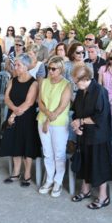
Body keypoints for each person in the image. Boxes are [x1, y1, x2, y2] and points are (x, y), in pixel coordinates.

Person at [70, 64, 112, 209]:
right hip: (84, 133)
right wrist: (76, 126)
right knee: (85, 162)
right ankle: (85, 190)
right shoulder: (81, 91)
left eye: (76, 81)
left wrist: (81, 121)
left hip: (98, 135)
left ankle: (103, 196)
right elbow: (76, 112)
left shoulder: (100, 91)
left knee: (99, 164)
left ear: (85, 78)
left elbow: (100, 117)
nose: (75, 83)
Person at [0, 53, 39, 186]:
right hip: (14, 113)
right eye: (15, 65)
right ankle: (16, 172)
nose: (15, 67)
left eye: (18, 65)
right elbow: (7, 98)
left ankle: (27, 174)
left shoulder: (34, 83)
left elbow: (29, 102)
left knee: (27, 145)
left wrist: (13, 115)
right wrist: (13, 110)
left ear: (26, 66)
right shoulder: (13, 80)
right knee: (15, 143)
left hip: (27, 117)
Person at [37, 56, 71, 197]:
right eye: (49, 68)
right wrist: (46, 116)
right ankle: (49, 179)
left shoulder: (66, 84)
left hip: (59, 122)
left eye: (53, 69)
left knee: (59, 153)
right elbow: (40, 102)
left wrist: (48, 120)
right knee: (47, 153)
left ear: (61, 69)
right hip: (42, 119)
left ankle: (58, 181)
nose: (50, 71)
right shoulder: (44, 82)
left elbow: (62, 106)